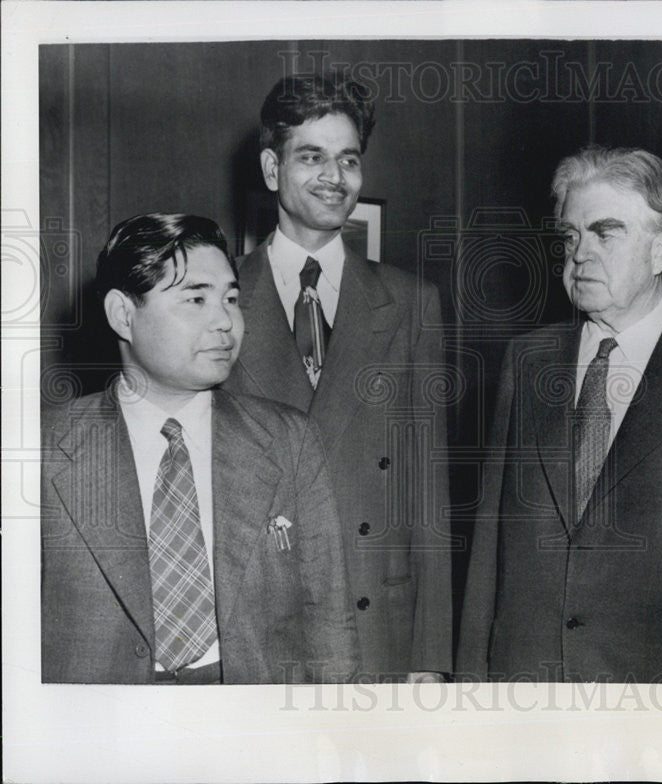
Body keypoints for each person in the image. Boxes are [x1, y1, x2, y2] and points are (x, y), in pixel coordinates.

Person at [457, 146, 662, 682]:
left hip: (654, 701)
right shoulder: (527, 360)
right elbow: (488, 545)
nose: (580, 254)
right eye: (570, 237)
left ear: (661, 249)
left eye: (605, 233)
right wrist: (469, 686)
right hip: (523, 691)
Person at [41, 213, 359, 684]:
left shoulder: (288, 439)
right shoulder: (40, 449)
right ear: (122, 314)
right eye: (196, 298)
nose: (225, 321)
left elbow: (329, 617)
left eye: (231, 298)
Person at [222, 72, 452, 683]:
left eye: (349, 159)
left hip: (379, 620)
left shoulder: (411, 301)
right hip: (256, 621)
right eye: (312, 157)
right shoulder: (217, 297)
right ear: (272, 170)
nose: (335, 176)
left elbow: (424, 485)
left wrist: (431, 658)